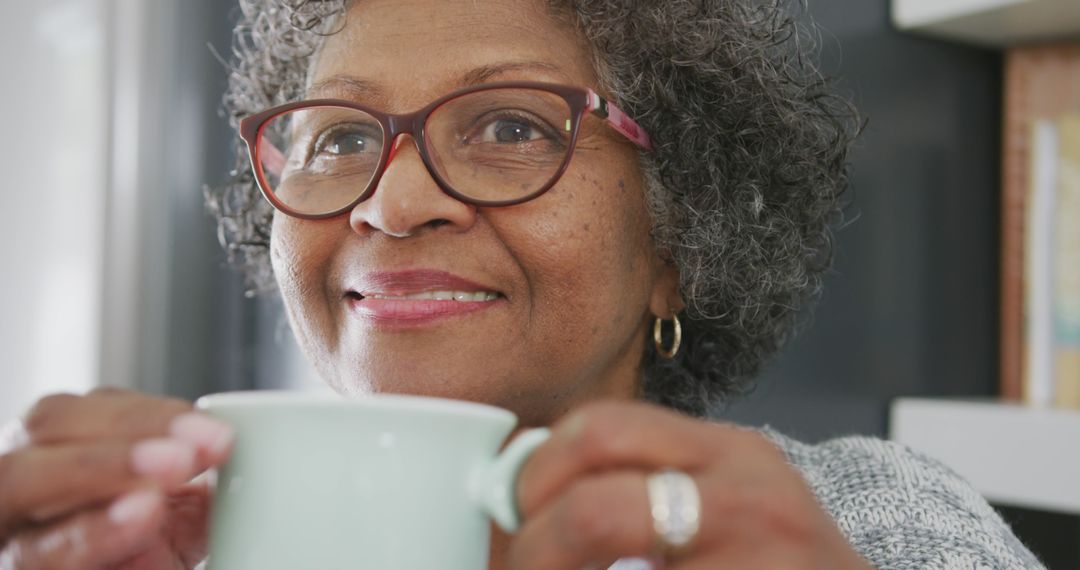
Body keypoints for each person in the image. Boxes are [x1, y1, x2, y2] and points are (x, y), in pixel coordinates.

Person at [0, 0, 1044, 568]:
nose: (391, 203)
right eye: (340, 137)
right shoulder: (170, 543)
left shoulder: (879, 529)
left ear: (681, 239)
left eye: (511, 126)